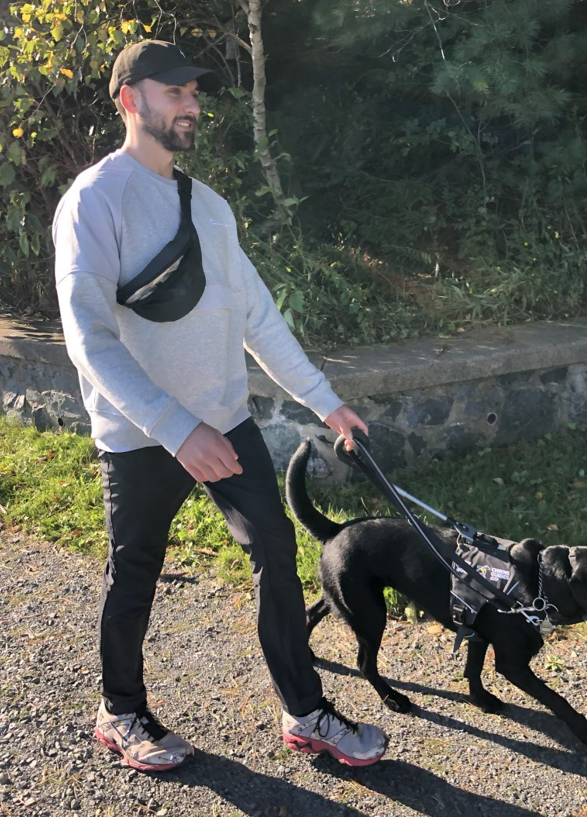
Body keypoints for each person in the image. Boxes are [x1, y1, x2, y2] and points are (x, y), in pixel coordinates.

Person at [52, 39, 387, 772]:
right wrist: (176, 429)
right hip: (142, 434)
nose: (193, 105)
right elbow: (89, 340)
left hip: (225, 418)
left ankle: (304, 712)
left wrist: (326, 404)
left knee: (275, 547)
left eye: (195, 93)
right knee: (133, 568)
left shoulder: (207, 206)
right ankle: (120, 711)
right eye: (175, 93)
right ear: (129, 100)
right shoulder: (93, 200)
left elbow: (257, 317)